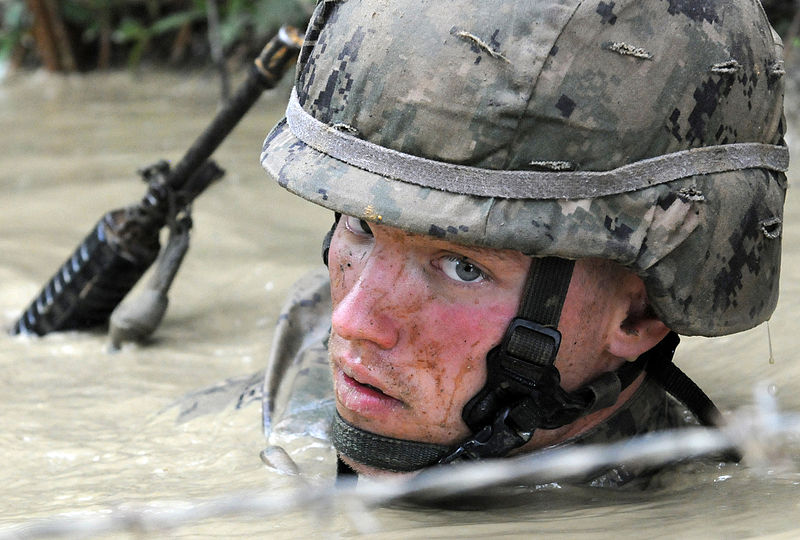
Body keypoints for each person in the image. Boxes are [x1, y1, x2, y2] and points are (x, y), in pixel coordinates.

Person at [255, 0, 789, 485]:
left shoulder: (718, 506)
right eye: (362, 227)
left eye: (463, 266)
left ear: (637, 314)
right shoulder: (292, 363)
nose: (352, 322)